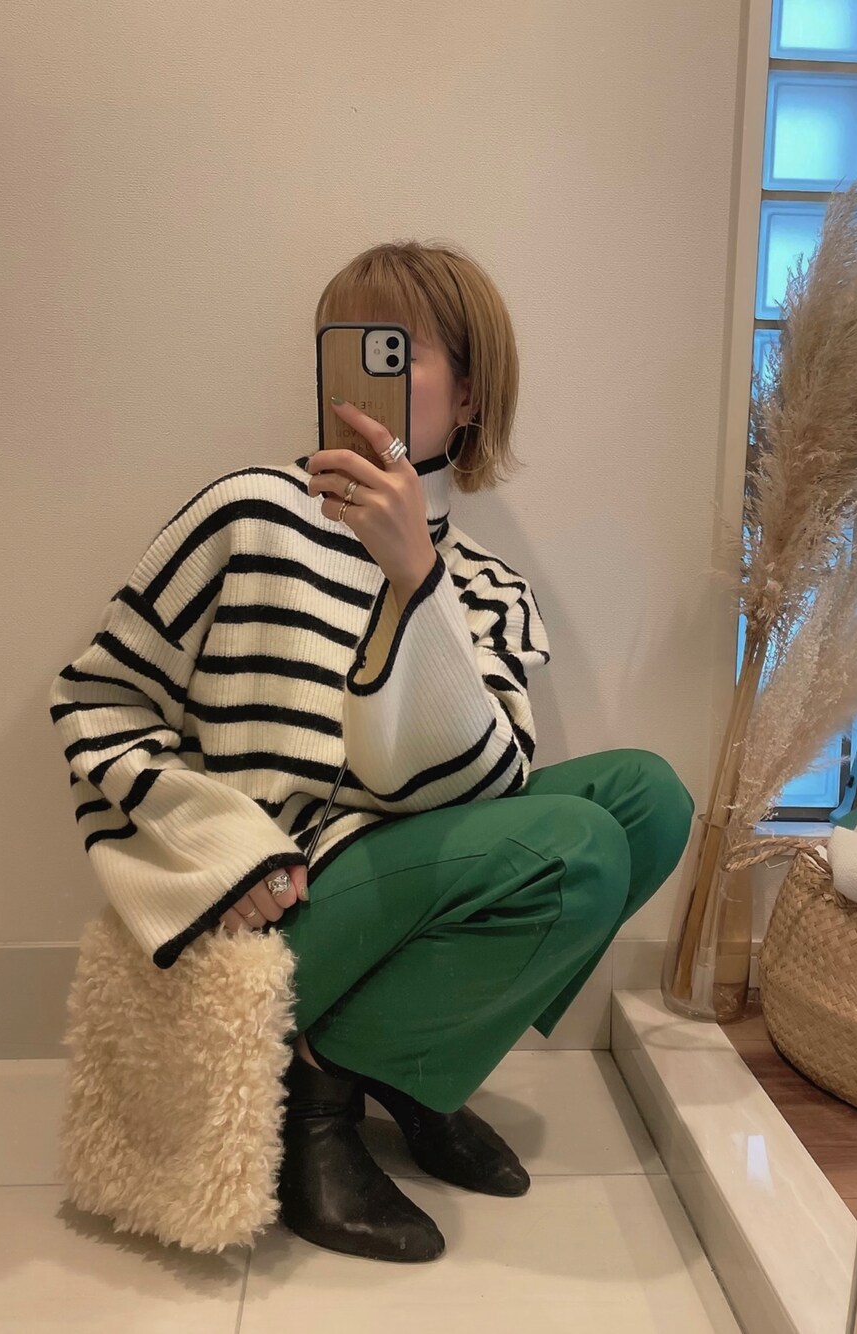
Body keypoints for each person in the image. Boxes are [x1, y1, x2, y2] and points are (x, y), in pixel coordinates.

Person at [49, 239, 695, 1265]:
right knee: (577, 848)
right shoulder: (248, 513)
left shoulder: (486, 586)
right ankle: (318, 1100)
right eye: (344, 347)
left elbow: (482, 786)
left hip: (399, 874)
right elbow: (98, 697)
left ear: (469, 392)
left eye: (398, 351)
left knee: (647, 801)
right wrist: (222, 850)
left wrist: (415, 581)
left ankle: (407, 1069)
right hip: (274, 906)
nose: (363, 382)